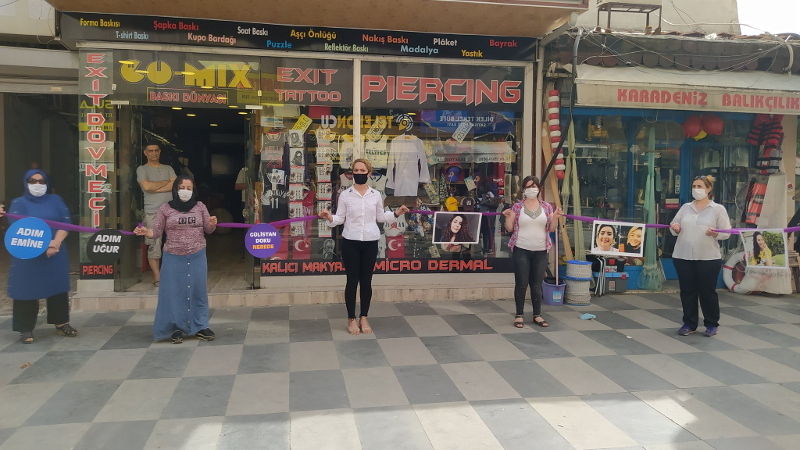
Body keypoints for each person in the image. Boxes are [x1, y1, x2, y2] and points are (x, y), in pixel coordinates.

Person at [319, 158, 409, 335]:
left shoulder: (375, 195)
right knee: (352, 281)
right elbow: (340, 218)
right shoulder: (345, 195)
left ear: (369, 173)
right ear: (352, 173)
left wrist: (397, 213)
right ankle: (351, 319)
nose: (359, 173)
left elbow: (380, 217)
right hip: (350, 242)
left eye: (362, 171)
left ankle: (364, 317)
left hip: (370, 242)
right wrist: (329, 217)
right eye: (356, 171)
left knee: (366, 281)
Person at [134, 175, 218, 343]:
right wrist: (146, 232)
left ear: (193, 190)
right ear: (175, 189)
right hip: (173, 256)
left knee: (198, 291)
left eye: (189, 188)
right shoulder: (165, 208)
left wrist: (212, 223)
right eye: (182, 188)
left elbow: (208, 229)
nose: (185, 191)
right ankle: (174, 328)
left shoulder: (200, 206)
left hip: (197, 255)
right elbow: (156, 231)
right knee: (173, 292)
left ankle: (200, 326)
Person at [1, 170, 77, 343]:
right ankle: (25, 328)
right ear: (25, 182)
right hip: (28, 254)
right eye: (33, 181)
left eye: (41, 181)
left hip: (55, 252)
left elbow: (65, 222)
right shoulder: (19, 203)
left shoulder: (55, 200)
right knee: (26, 289)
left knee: (57, 287)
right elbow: (19, 229)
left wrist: (55, 243)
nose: (37, 184)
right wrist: (44, 245)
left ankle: (61, 323)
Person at [669, 175, 731, 337]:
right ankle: (689, 323)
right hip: (683, 256)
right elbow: (674, 225)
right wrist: (675, 228)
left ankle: (711, 324)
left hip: (708, 258)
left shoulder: (717, 209)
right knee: (687, 291)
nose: (696, 189)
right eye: (694, 186)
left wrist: (715, 233)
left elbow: (726, 232)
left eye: (700, 186)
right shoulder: (685, 208)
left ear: (708, 189)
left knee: (707, 291)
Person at [502, 176, 563, 328]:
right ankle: (519, 315)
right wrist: (507, 217)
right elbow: (509, 228)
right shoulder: (517, 207)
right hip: (521, 249)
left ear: (539, 189)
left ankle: (537, 315)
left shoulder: (546, 207)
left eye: (534, 186)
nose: (531, 189)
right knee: (521, 284)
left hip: (541, 251)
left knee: (536, 285)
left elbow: (551, 228)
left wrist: (555, 217)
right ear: (523, 189)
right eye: (528, 186)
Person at [137, 142, 177, 287]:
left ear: (160, 152)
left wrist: (155, 187)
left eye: (156, 150)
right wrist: (165, 183)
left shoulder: (168, 168)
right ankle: (157, 277)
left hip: (171, 211)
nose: (154, 153)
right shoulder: (142, 169)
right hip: (152, 212)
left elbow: (175, 185)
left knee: (176, 242)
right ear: (145, 153)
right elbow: (146, 186)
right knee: (154, 245)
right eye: (151, 151)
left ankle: (173, 274)